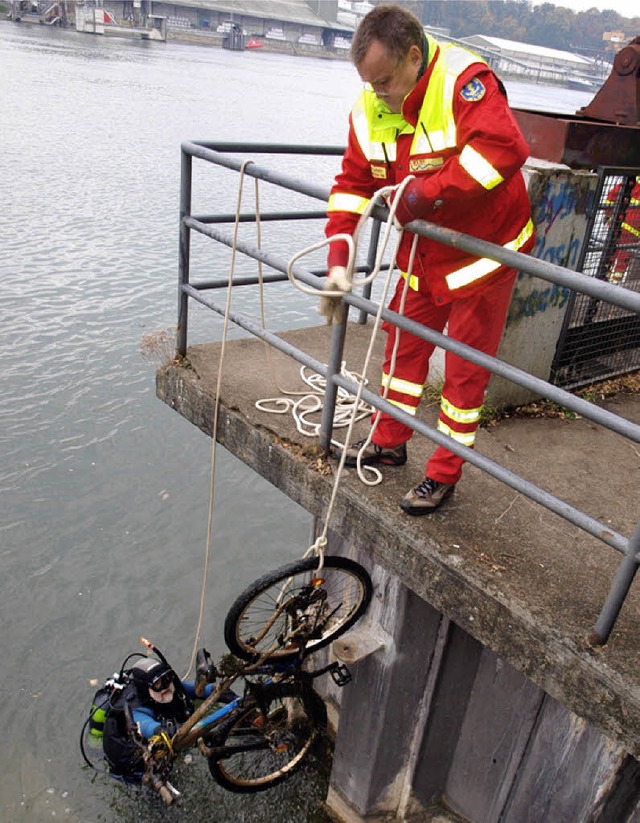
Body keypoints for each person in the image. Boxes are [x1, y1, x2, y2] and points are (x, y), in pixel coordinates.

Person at [320, 4, 535, 514]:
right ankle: (390, 442)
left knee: (463, 373)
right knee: (401, 350)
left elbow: (504, 151)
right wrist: (338, 261)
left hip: (484, 257)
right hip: (424, 254)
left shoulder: (464, 82)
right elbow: (352, 187)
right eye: (370, 84)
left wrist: (424, 195)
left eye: (386, 81)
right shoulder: (370, 107)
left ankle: (443, 474)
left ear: (414, 57)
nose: (379, 94)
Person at [102, 654, 233, 778]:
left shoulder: (172, 686)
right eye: (157, 684)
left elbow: (198, 689)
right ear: (145, 689)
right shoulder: (137, 711)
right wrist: (163, 731)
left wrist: (224, 693)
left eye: (166, 678)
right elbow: (149, 727)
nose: (165, 686)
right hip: (133, 767)